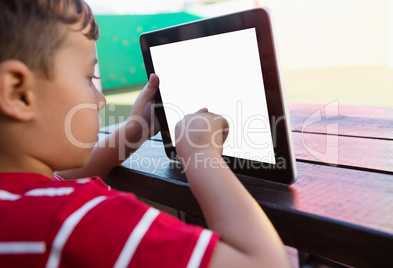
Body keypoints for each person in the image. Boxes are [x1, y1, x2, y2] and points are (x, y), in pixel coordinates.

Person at [0, 0, 291, 267]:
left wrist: (133, 132)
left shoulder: (18, 199)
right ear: (18, 93)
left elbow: (67, 175)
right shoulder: (75, 220)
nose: (100, 100)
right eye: (89, 78)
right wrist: (199, 154)